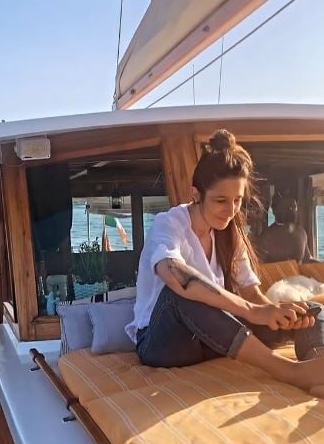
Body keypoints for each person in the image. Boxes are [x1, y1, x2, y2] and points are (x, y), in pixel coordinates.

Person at [126, 129, 324, 398]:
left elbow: (251, 293)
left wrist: (274, 313)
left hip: (212, 337)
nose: (231, 211)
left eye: (237, 201)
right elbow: (173, 274)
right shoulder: (169, 223)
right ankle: (289, 371)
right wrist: (253, 312)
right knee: (183, 293)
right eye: (221, 200)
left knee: (309, 309)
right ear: (196, 194)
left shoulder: (230, 233)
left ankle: (317, 365)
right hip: (164, 343)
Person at [255, 193, 314, 263]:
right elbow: (258, 264)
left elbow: (307, 259)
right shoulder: (266, 236)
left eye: (294, 207)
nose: (291, 210)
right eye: (287, 207)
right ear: (275, 211)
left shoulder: (301, 232)